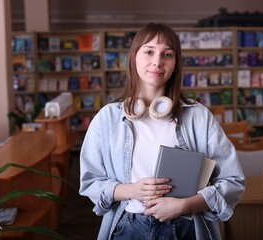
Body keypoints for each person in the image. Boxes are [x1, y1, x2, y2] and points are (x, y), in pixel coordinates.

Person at [79, 22, 245, 240]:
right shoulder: (108, 118)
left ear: (175, 63)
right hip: (128, 228)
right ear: (134, 58)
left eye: (167, 54)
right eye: (149, 52)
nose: (157, 62)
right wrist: (131, 190)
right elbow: (91, 182)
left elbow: (233, 180)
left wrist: (184, 205)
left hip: (184, 228)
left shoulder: (198, 116)